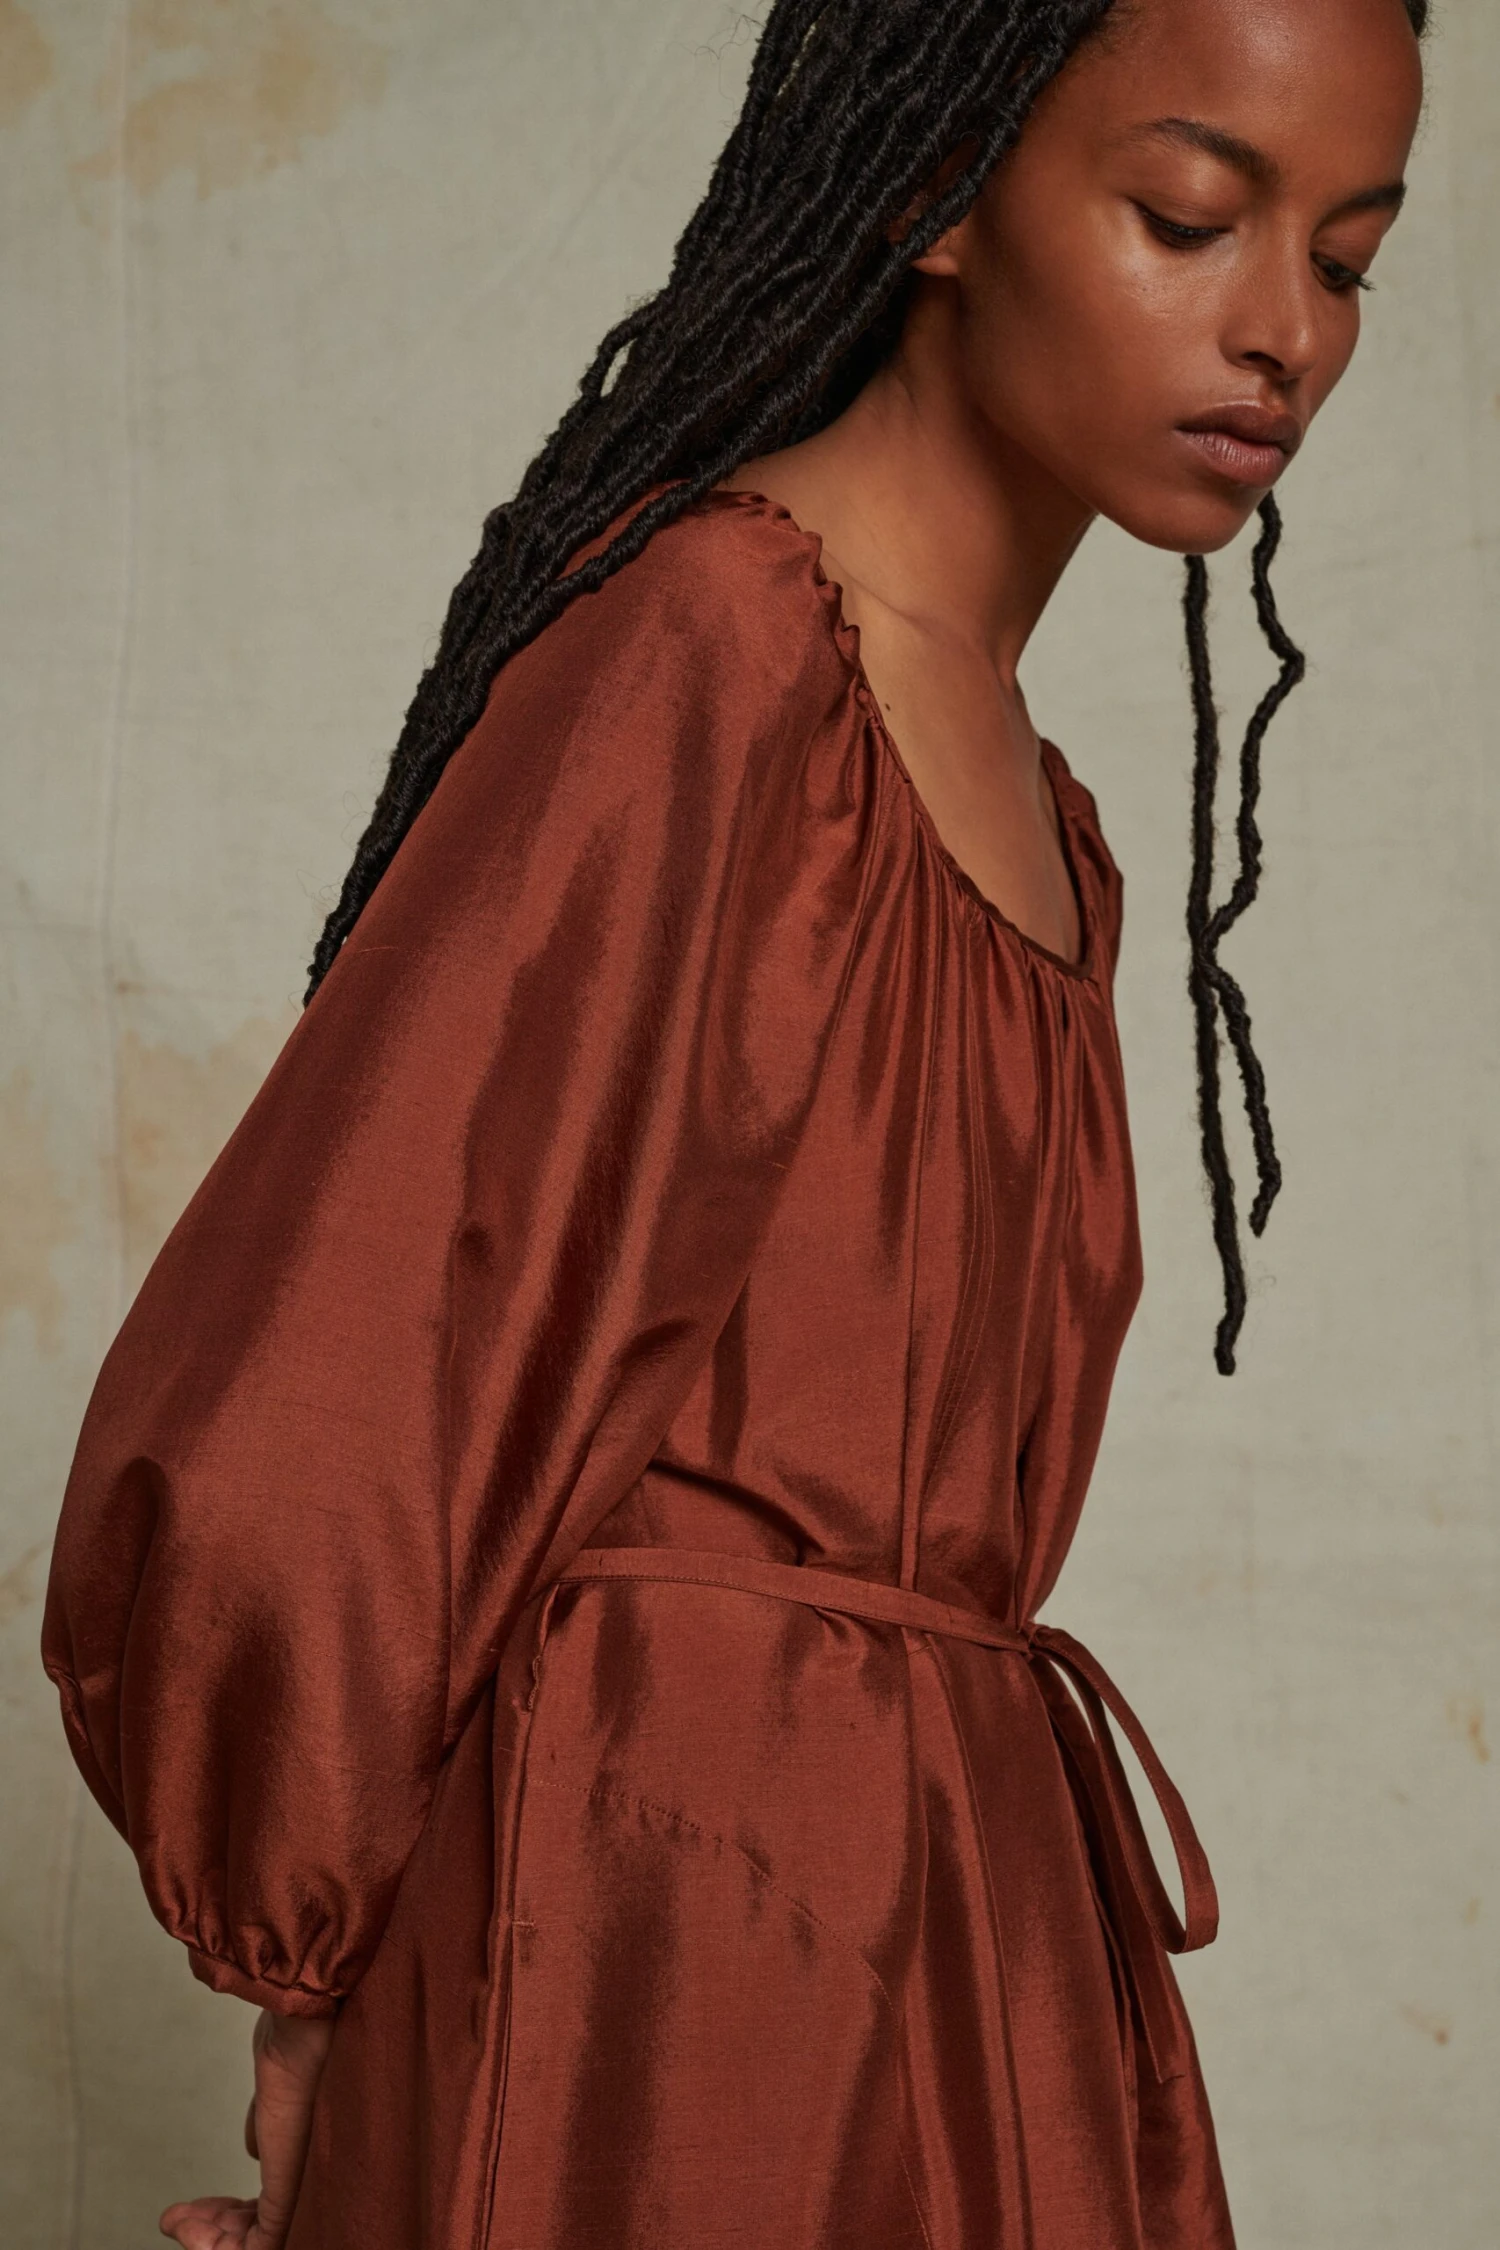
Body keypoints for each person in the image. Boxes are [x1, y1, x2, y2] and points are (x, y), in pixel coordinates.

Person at [41, 0, 1425, 2245]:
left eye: (1350, 258)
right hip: (644, 1939)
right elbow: (329, 1380)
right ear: (938, 181)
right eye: (1191, 215)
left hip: (968, 1948)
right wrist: (306, 1988)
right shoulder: (718, 656)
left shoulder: (1057, 826)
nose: (1286, 332)